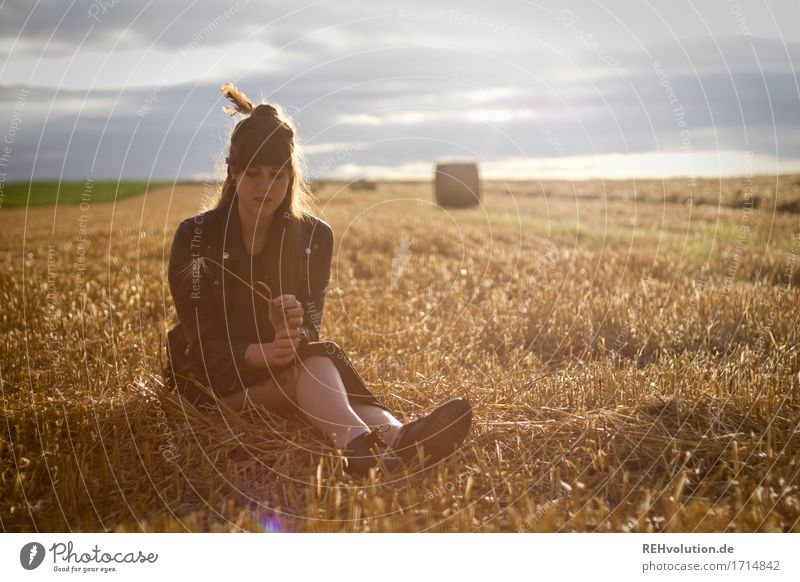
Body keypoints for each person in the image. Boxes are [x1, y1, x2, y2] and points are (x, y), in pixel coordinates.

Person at [161, 82, 472, 477]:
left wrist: (289, 329)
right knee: (307, 370)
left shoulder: (313, 237)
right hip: (211, 384)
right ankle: (373, 440)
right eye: (253, 173)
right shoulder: (196, 237)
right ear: (233, 172)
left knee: (314, 359)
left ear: (291, 176)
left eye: (277, 175)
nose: (265, 187)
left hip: (282, 367)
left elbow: (309, 329)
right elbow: (197, 340)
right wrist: (259, 353)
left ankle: (389, 439)